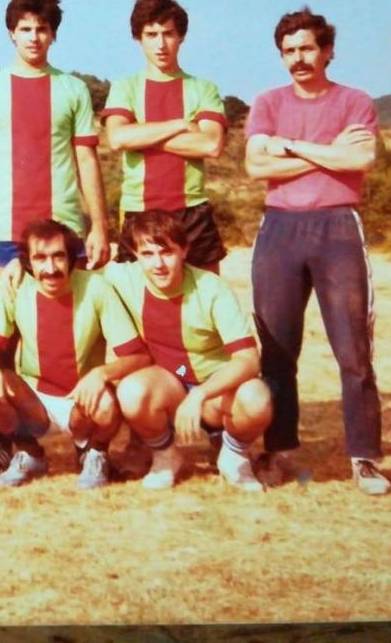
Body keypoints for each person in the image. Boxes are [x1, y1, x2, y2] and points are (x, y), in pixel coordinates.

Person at [244, 7, 391, 495]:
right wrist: (327, 152)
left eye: (307, 48)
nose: (299, 59)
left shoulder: (355, 101)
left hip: (337, 229)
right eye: (289, 51)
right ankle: (278, 448)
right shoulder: (267, 102)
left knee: (353, 349)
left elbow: (361, 158)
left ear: (327, 51)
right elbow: (254, 167)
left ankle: (365, 457)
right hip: (280, 229)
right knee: (278, 350)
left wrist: (290, 147)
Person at [0, 219, 149, 489]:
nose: (50, 269)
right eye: (40, 258)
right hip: (34, 402)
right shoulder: (16, 288)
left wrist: (102, 373)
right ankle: (29, 452)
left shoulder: (96, 288)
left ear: (72, 258)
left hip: (81, 400)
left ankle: (95, 452)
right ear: (28, 263)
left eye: (58, 257)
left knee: (107, 402)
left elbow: (138, 356)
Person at [0, 0, 110, 304]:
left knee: (70, 327)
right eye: (25, 29)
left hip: (65, 227)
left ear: (53, 34)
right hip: (6, 229)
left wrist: (99, 225)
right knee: (1, 331)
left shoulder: (74, 89)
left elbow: (87, 160)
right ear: (11, 33)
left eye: (41, 29)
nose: (33, 37)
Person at [107, 210, 271, 491]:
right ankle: (166, 455)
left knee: (256, 398)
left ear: (184, 250)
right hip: (171, 384)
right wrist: (15, 266)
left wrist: (201, 395)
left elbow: (248, 359)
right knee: (131, 391)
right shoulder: (123, 278)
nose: (158, 263)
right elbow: (71, 272)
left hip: (212, 390)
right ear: (135, 254)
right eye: (147, 253)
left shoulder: (211, 288)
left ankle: (233, 455)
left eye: (167, 252)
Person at [100, 0, 229, 272]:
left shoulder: (203, 88)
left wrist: (143, 136)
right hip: (139, 209)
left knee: (203, 300)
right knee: (137, 304)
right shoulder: (125, 87)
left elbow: (210, 145)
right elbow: (119, 138)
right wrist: (180, 124)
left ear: (181, 37)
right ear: (139, 38)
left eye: (168, 34)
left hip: (192, 210)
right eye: (151, 34)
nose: (160, 44)